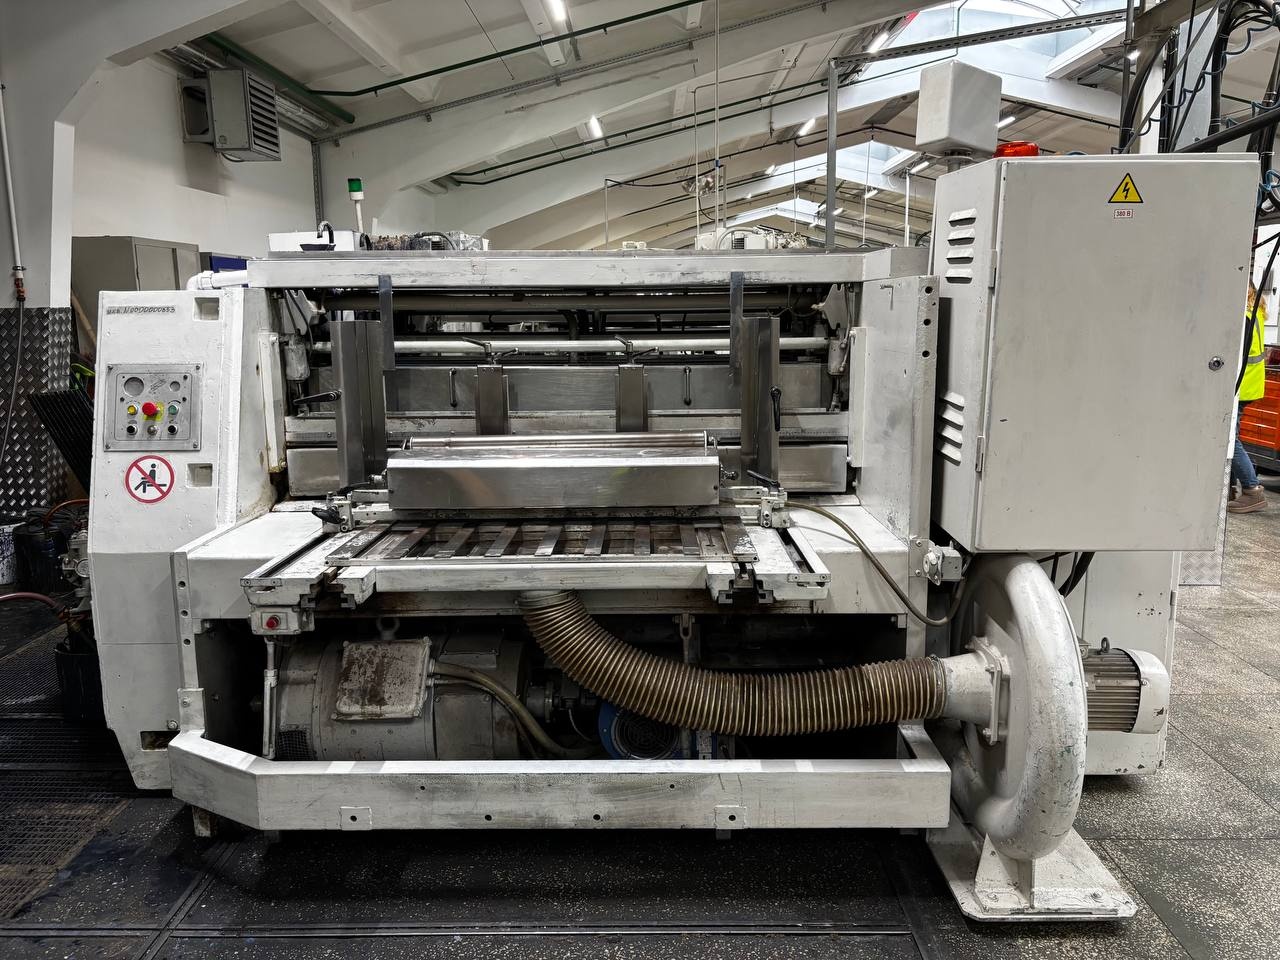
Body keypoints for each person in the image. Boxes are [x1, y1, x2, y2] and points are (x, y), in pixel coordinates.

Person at [1228, 281, 1268, 513]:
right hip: (1250, 385)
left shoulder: (1243, 316)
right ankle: (1230, 488)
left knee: (1229, 440)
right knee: (1230, 436)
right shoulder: (1256, 313)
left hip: (1240, 386)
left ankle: (1252, 490)